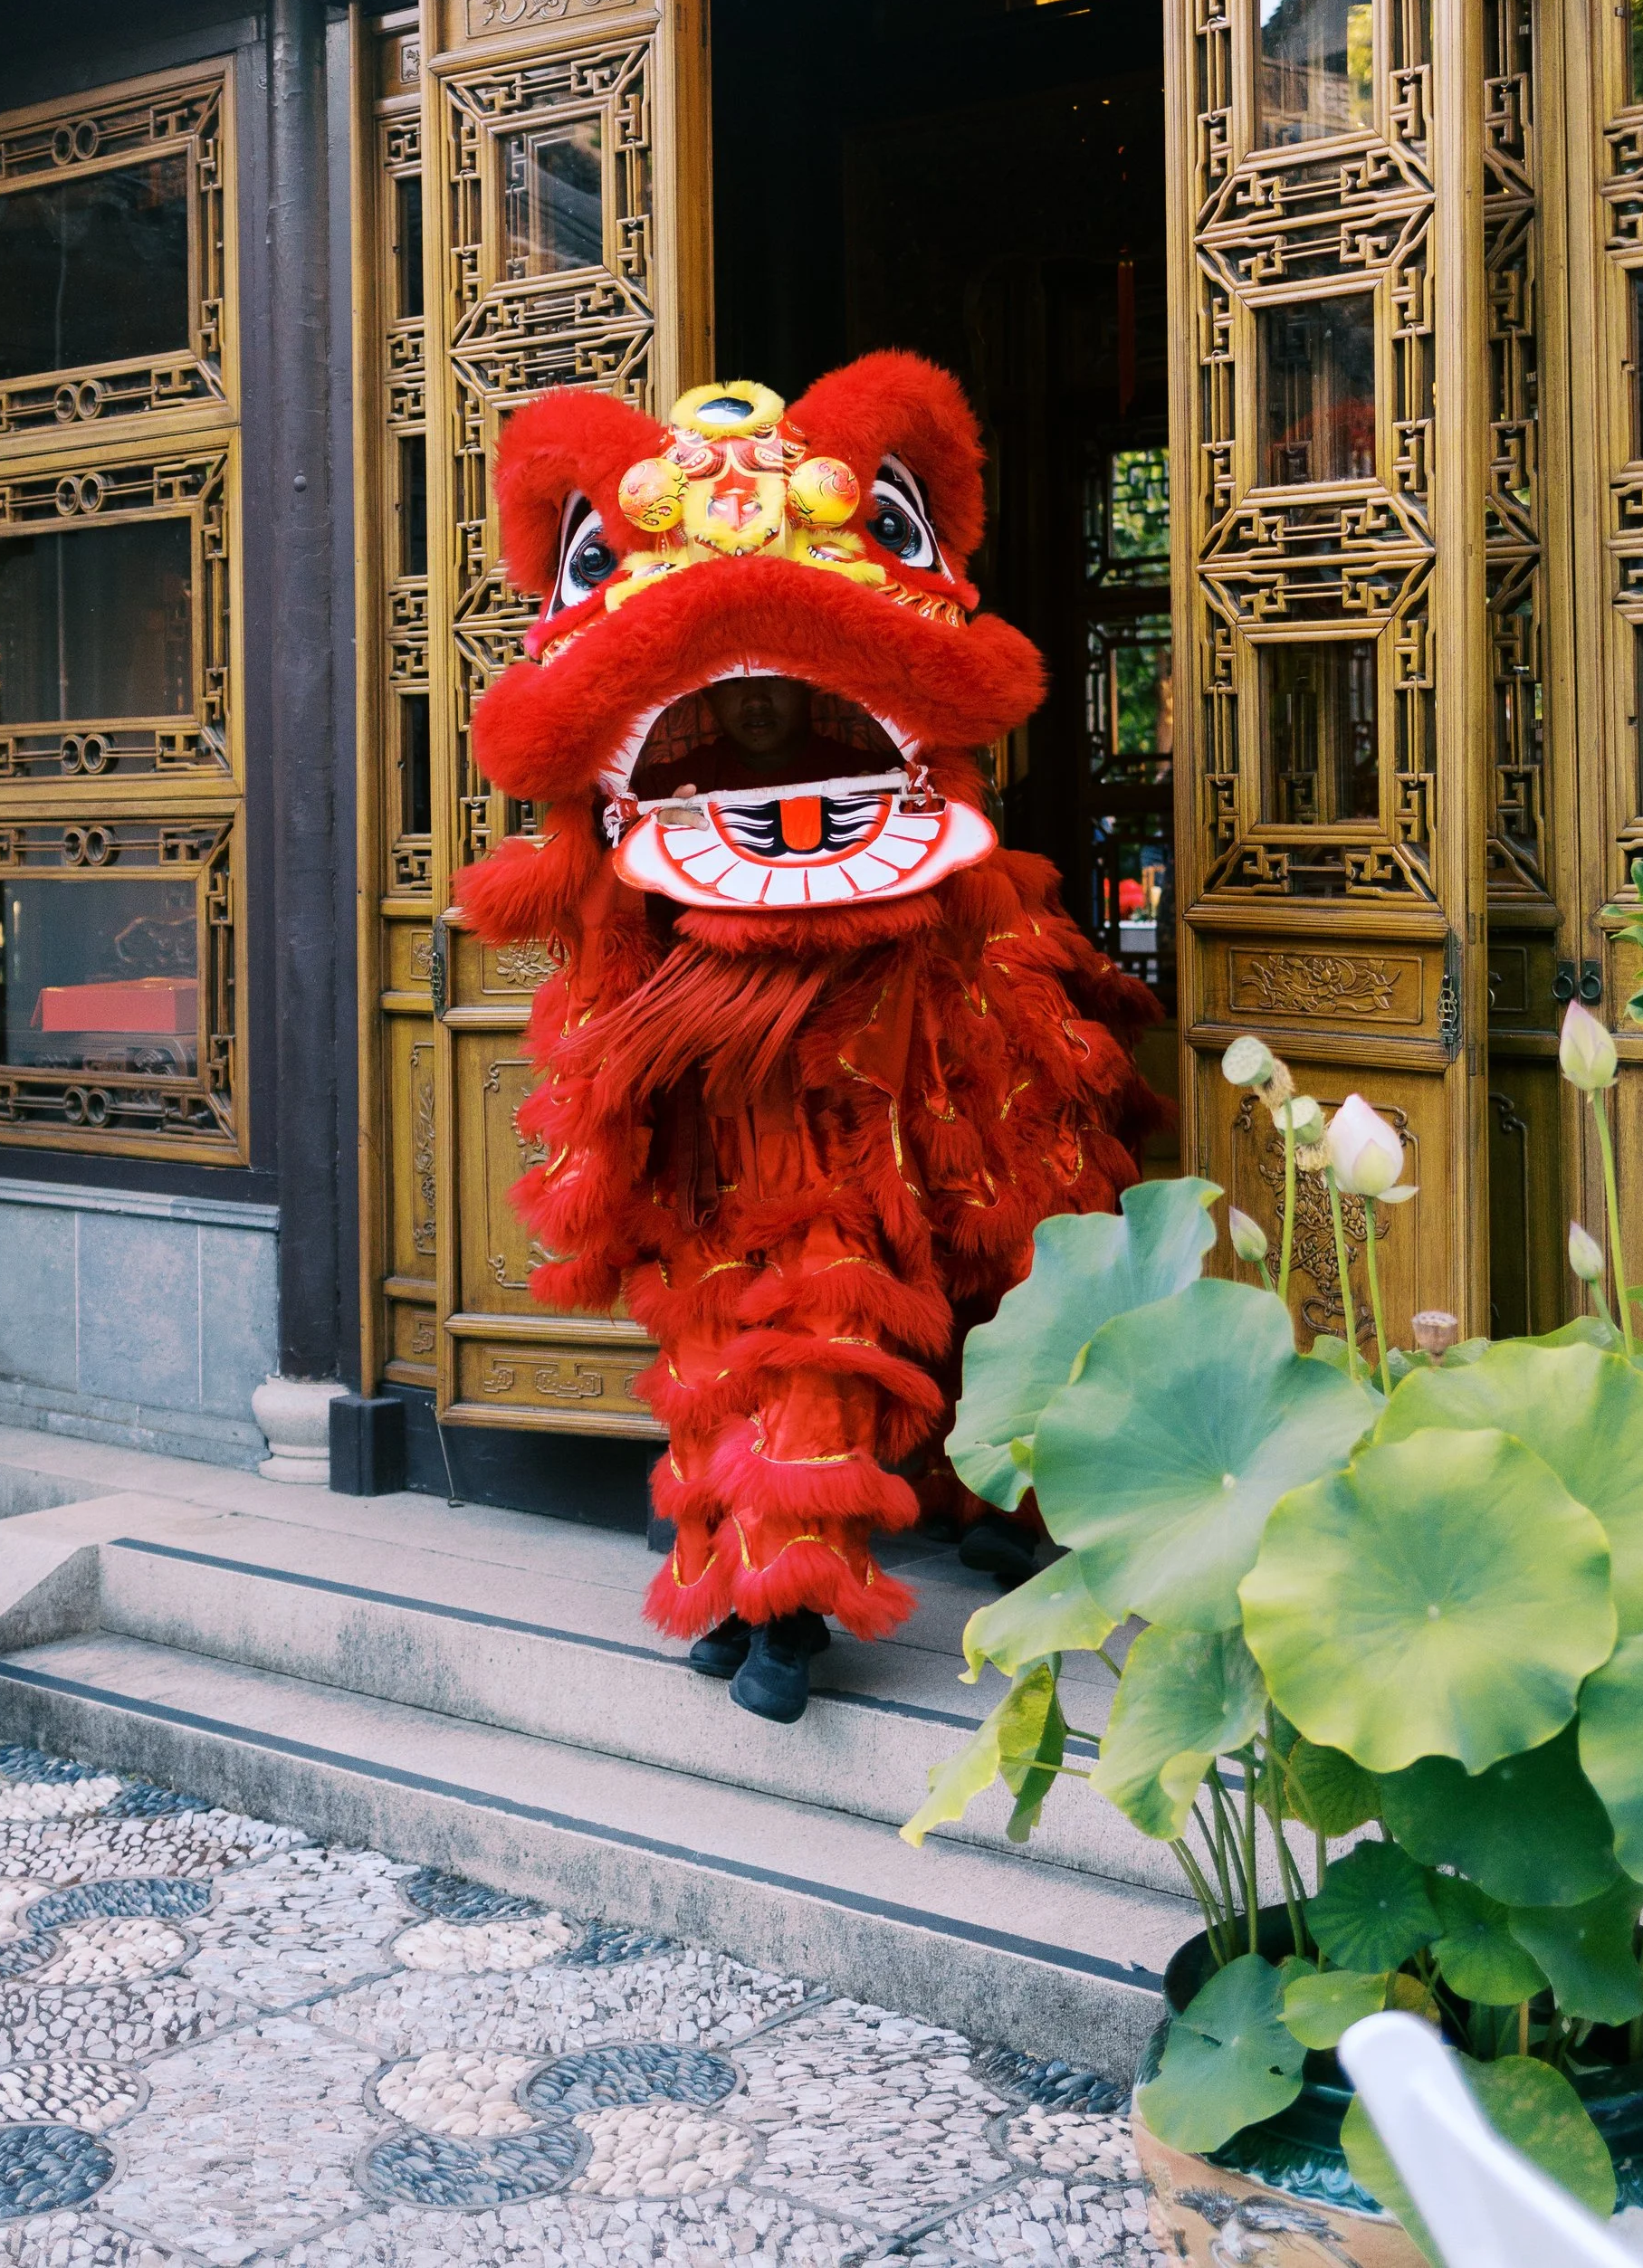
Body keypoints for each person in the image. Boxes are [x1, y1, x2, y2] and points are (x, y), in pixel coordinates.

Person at [456, 358, 1156, 1722]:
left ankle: (798, 1599)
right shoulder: (636, 868)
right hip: (720, 1110)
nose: (768, 728)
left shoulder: (939, 878)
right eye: (739, 709)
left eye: (794, 707)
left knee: (860, 1301)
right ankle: (742, 1575)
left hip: (881, 1098)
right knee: (724, 1323)